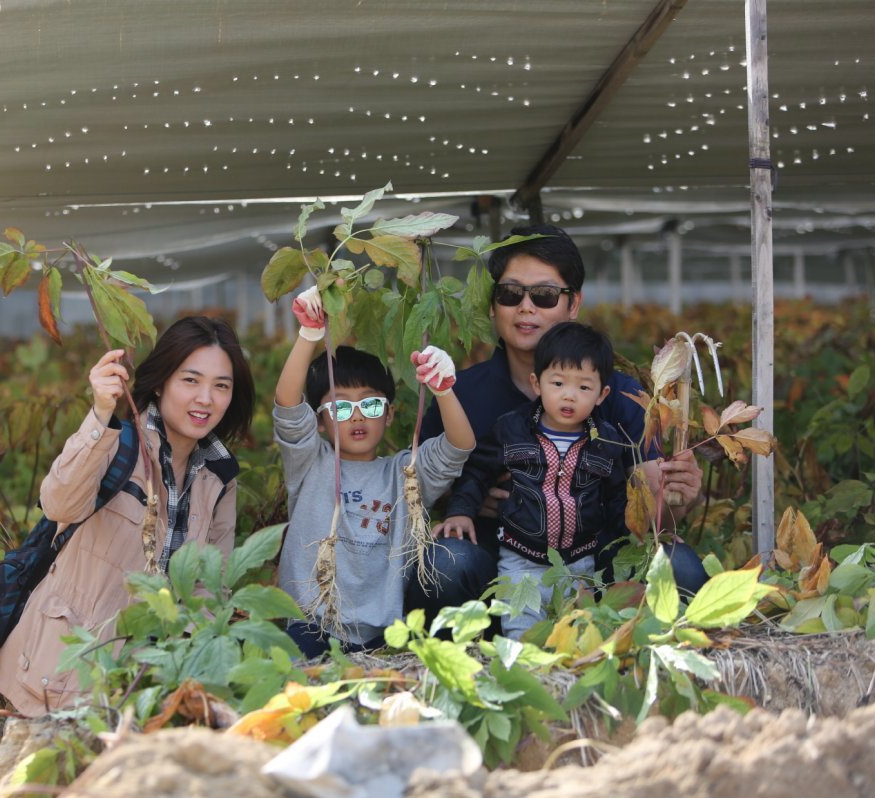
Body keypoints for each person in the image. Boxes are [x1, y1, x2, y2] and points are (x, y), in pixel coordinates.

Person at [412, 224, 708, 621]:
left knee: (679, 568)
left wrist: (678, 500)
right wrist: (461, 500)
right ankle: (473, 659)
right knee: (444, 565)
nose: (526, 307)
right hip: (498, 566)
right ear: (493, 304)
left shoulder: (620, 398)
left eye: (545, 295)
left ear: (574, 304)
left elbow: (653, 518)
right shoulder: (460, 394)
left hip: (601, 565)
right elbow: (418, 494)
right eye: (510, 294)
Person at [0, 316, 254, 715]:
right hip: (59, 676)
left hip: (142, 689)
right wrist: (99, 414)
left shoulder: (218, 477)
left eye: (221, 386)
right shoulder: (119, 443)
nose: (205, 399)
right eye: (191, 380)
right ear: (162, 382)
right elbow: (58, 503)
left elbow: (209, 585)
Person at [274, 287, 475, 658]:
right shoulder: (309, 462)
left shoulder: (405, 474)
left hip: (385, 632)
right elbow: (287, 407)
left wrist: (443, 390)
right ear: (319, 421)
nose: (356, 416)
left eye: (370, 404)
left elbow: (458, 446)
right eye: (339, 407)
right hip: (311, 625)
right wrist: (308, 336)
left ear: (390, 414)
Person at [472, 322, 629, 638]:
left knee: (573, 636)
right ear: (537, 383)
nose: (569, 396)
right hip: (520, 558)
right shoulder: (512, 430)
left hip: (579, 561)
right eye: (557, 383)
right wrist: (461, 511)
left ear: (602, 395)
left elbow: (617, 499)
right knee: (522, 634)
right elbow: (476, 472)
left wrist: (631, 537)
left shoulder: (607, 443)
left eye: (584, 388)